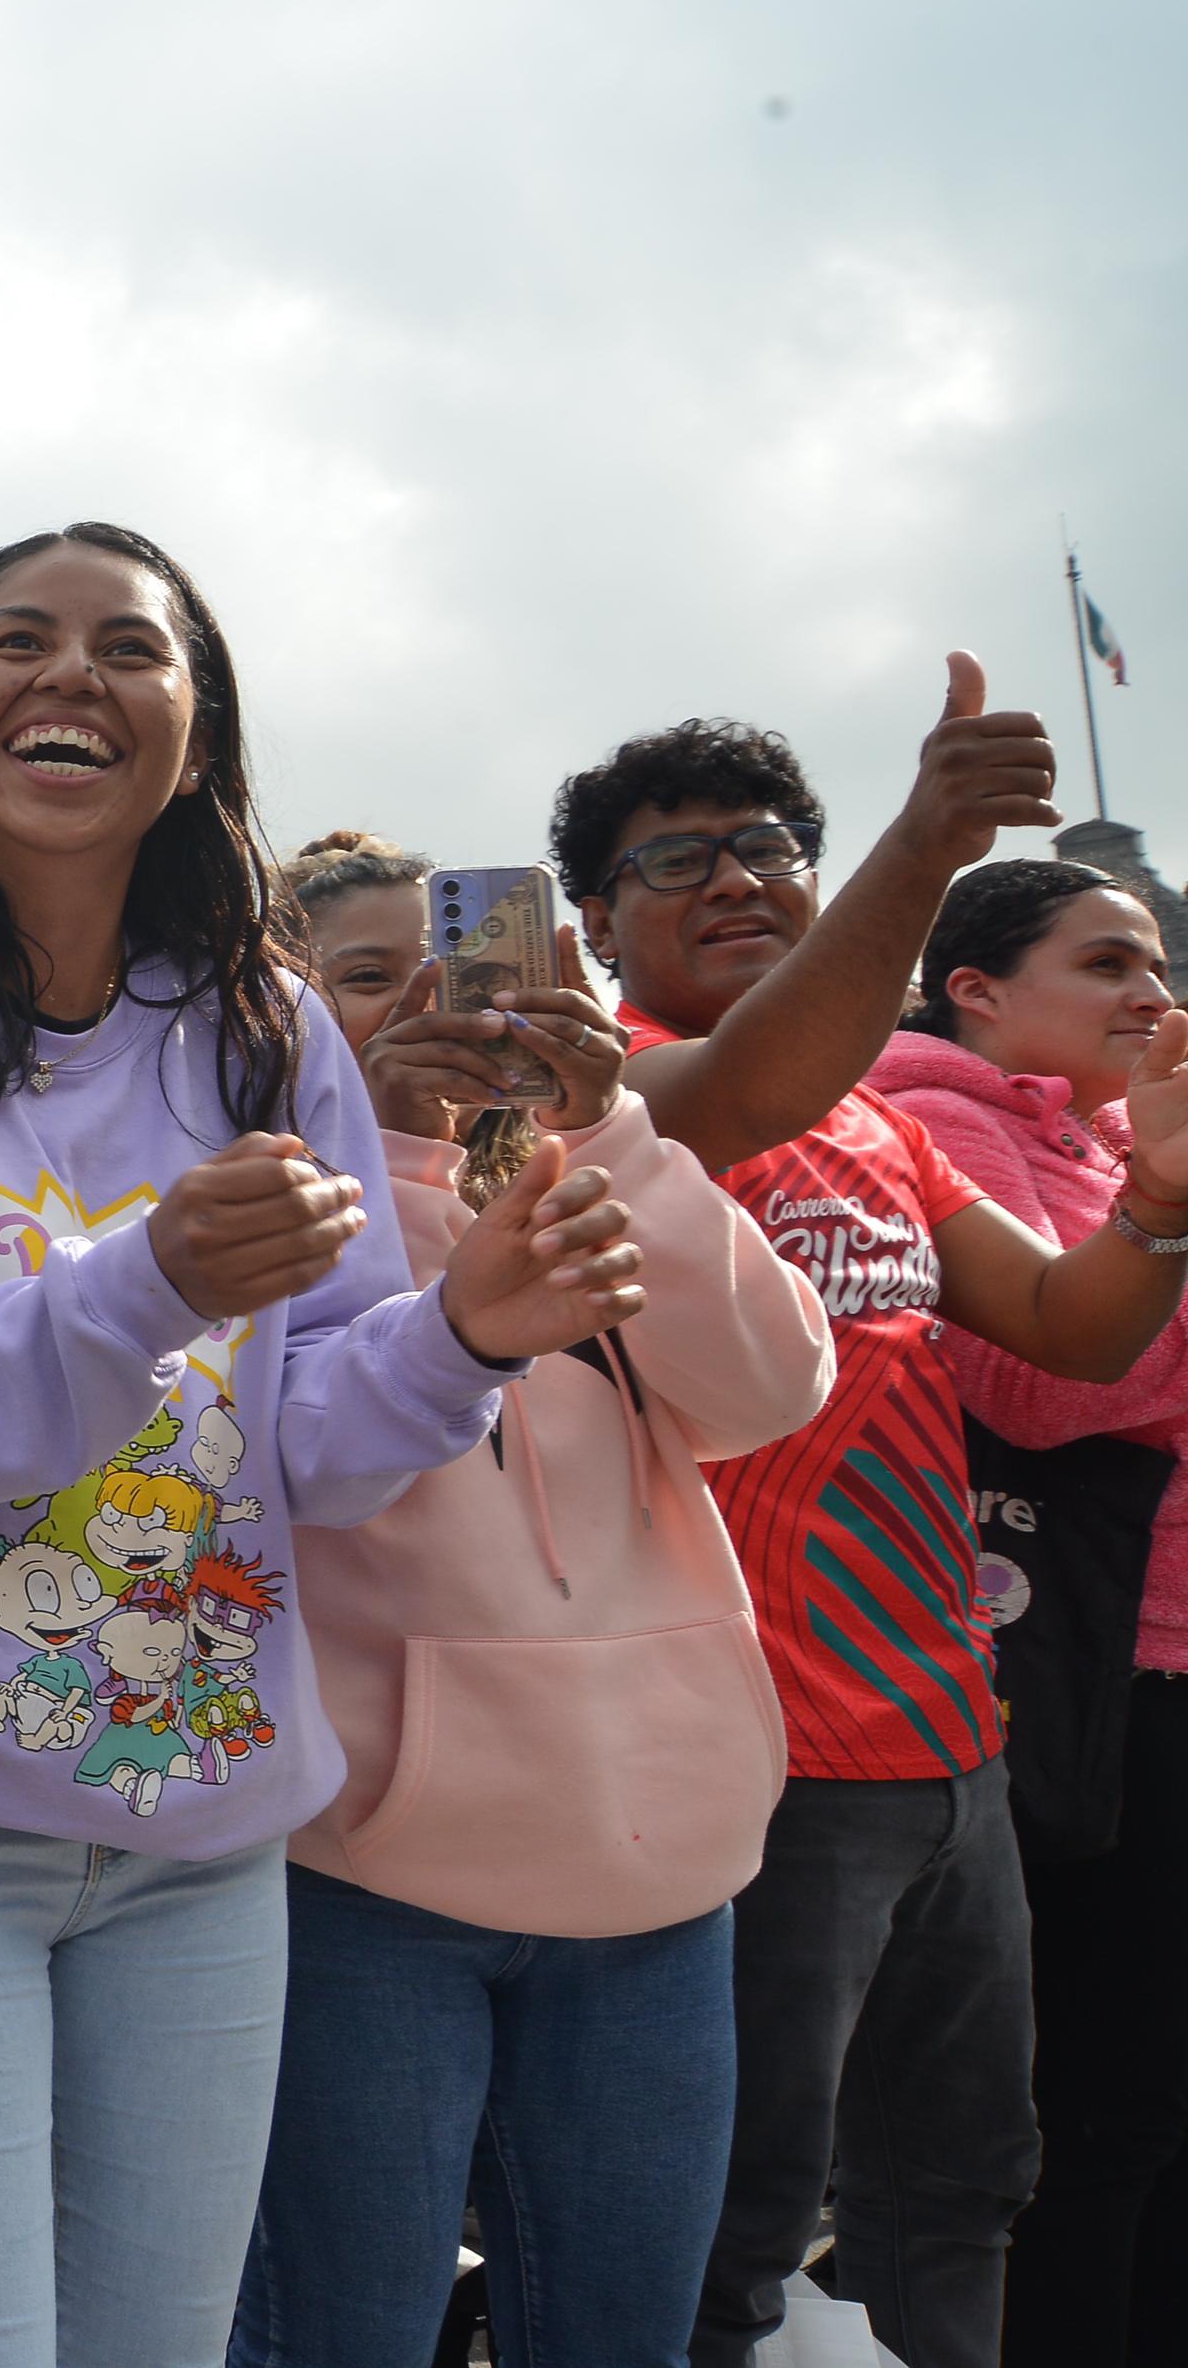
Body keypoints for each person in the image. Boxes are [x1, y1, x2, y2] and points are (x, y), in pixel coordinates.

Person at [0, 525, 652, 2368]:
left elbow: (313, 1446)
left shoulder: (266, 1025)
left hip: (201, 1818)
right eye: (15, 639)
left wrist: (465, 1331)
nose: (69, 676)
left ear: (194, 732)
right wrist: (145, 1284)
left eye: (130, 647)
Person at [545, 693, 1188, 2368]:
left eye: (767, 843)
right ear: (594, 923)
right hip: (750, 1755)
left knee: (960, 2184)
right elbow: (752, 1076)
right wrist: (931, 844)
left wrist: (1164, 1205)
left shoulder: (883, 1121)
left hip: (945, 1739)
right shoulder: (602, 1095)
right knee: (735, 2223)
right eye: (671, 857)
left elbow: (1064, 1321)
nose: (735, 873)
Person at [237, 832, 835, 2368]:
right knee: (347, 2339)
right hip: (364, 1890)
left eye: (470, 976)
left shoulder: (599, 1174)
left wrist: (615, 1125)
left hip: (657, 1878)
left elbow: (772, 1384)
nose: (429, 1010)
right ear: (283, 1015)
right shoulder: (257, 1203)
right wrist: (378, 1149)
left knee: (622, 2341)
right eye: (365, 981)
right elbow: (309, 1465)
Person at [863, 859, 1188, 2364]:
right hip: (1084, 1670)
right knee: (1095, 2113)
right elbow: (1054, 1384)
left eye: (1160, 965)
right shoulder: (930, 1123)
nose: (1150, 993)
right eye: (1108, 960)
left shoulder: (1137, 1139)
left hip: (1153, 1652)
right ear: (977, 989)